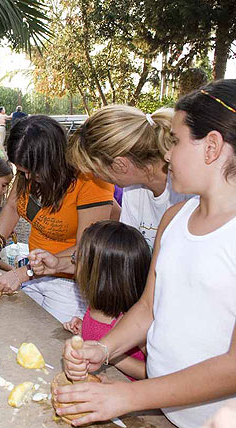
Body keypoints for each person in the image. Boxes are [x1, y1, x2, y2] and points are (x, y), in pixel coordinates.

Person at [55, 79, 236, 427]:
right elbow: (149, 307)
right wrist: (104, 349)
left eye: (177, 142)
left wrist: (128, 396)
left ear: (211, 147)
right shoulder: (174, 219)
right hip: (163, 411)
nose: (167, 154)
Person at [0, 115, 114, 323]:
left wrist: (24, 273)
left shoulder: (90, 179)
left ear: (51, 162)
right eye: (22, 171)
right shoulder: (30, 175)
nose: (25, 178)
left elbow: (84, 249)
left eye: (30, 172)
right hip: (34, 275)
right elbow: (11, 207)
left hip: (70, 283)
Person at [32, 220, 150, 380]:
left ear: (101, 277)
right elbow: (99, 330)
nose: (73, 262)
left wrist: (110, 354)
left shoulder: (135, 322)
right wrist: (84, 330)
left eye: (77, 258)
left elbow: (151, 373)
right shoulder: (95, 306)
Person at [68, 105, 190, 250]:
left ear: (120, 165)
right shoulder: (133, 189)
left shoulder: (188, 190)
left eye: (95, 170)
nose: (95, 177)